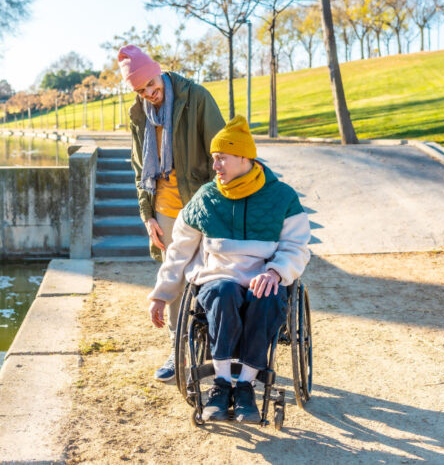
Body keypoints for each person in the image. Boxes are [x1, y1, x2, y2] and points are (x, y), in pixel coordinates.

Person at [147, 116, 311, 423]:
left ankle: (246, 385)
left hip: (265, 276)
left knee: (268, 296)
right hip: (218, 277)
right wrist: (161, 295)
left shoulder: (282, 197)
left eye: (221, 158)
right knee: (222, 292)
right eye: (213, 159)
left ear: (244, 158)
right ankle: (222, 384)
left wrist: (275, 272)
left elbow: (297, 247)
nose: (215, 166)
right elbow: (178, 252)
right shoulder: (206, 198)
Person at [118, 44, 226, 382]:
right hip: (164, 208)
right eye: (140, 89)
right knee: (174, 277)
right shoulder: (139, 115)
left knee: (211, 274)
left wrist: (217, 202)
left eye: (152, 84)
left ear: (159, 71)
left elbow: (220, 151)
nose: (150, 93)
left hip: (200, 203)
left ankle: (213, 348)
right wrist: (146, 214)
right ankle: (179, 350)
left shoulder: (196, 98)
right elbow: (140, 169)